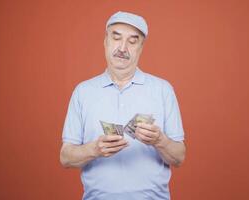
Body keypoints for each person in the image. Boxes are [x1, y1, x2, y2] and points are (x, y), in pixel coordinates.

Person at [60, 11, 186, 200]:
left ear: (141, 47)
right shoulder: (83, 92)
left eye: (132, 41)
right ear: (105, 41)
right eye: (116, 37)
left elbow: (179, 157)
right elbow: (66, 158)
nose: (122, 48)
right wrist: (94, 149)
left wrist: (160, 140)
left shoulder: (163, 90)